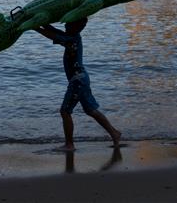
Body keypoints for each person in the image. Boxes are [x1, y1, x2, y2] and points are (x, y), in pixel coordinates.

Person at [36, 18, 121, 151]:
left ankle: (69, 144)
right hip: (82, 79)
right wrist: (40, 23)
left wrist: (35, 28)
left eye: (69, 23)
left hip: (78, 80)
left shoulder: (72, 39)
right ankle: (114, 133)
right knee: (91, 110)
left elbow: (53, 35)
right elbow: (54, 31)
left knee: (65, 111)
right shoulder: (73, 36)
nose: (65, 24)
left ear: (76, 27)